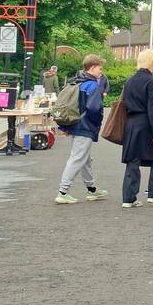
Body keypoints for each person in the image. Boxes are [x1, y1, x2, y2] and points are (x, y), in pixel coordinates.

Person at [54, 54, 109, 204]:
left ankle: (92, 190)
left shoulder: (75, 82)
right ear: (92, 67)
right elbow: (94, 109)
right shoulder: (92, 85)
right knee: (77, 158)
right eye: (99, 68)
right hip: (85, 126)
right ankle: (63, 191)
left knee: (85, 158)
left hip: (74, 123)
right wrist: (96, 123)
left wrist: (64, 126)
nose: (101, 72)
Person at [119, 49, 153, 207]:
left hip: (132, 123)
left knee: (132, 161)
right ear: (152, 63)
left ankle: (128, 198)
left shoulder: (129, 81)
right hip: (147, 123)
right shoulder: (152, 82)